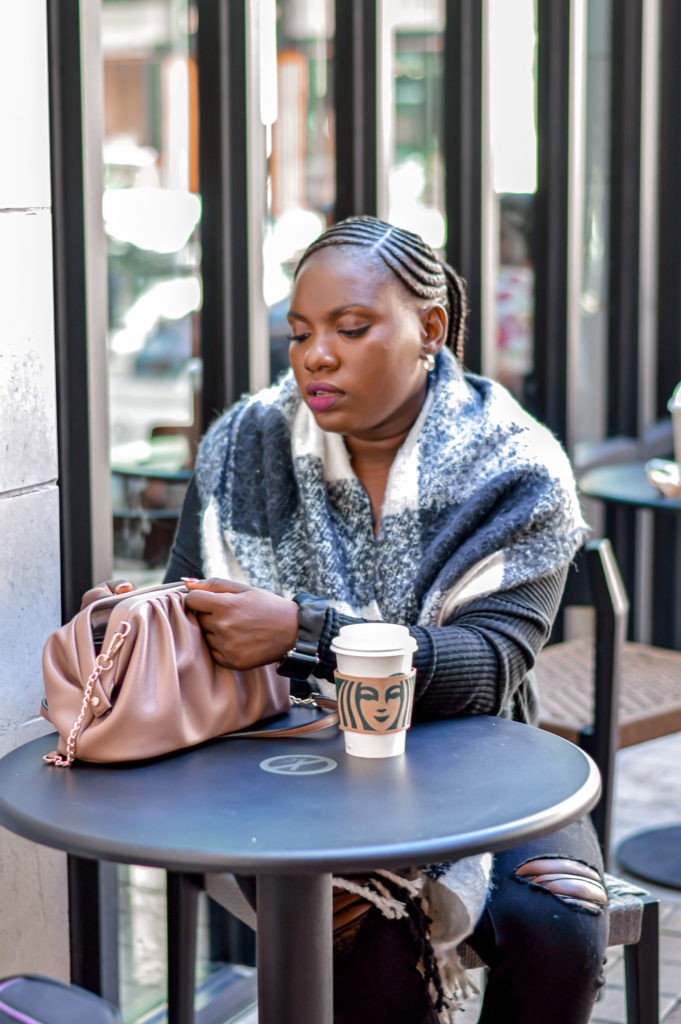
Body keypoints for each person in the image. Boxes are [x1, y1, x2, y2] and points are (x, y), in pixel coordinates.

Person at [119, 215, 608, 1022]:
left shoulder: (515, 467)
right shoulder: (246, 446)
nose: (315, 354)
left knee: (558, 923)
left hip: (473, 759)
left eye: (350, 328)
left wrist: (304, 634)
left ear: (428, 330)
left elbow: (489, 667)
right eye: (298, 333)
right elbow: (187, 616)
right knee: (361, 928)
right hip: (275, 766)